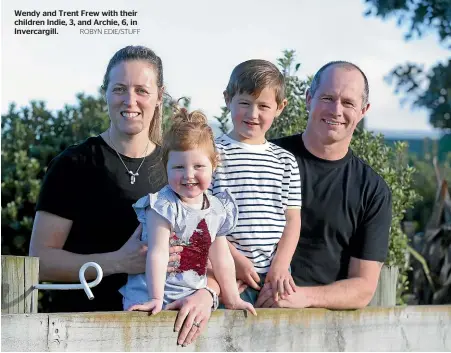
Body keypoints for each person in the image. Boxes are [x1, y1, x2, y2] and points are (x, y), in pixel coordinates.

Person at [29, 45, 216, 346]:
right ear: (105, 93)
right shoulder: (74, 164)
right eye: (119, 89)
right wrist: (117, 262)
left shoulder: (179, 169)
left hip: (159, 339)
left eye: (142, 90)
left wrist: (208, 294)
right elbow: (39, 261)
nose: (130, 101)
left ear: (159, 95)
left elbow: (209, 251)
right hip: (81, 337)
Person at [256, 61, 392, 309]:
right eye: (328, 98)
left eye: (348, 103)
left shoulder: (372, 190)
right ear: (309, 99)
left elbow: (363, 287)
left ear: (363, 110)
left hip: (319, 334)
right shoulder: (263, 157)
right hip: (242, 312)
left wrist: (301, 298)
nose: (336, 110)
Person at [121, 108, 256, 318]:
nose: (189, 175)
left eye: (198, 166)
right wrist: (155, 298)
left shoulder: (216, 209)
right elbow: (158, 252)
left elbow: (221, 258)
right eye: (179, 167)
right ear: (166, 167)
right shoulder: (163, 205)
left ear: (214, 165)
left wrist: (232, 299)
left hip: (191, 299)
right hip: (149, 299)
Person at [211, 59, 302, 304]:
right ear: (227, 98)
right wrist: (235, 261)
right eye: (244, 103)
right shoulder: (211, 154)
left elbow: (292, 219)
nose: (253, 114)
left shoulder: (285, 161)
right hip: (225, 272)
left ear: (280, 107)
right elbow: (202, 216)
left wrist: (281, 266)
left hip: (276, 276)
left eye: (263, 106)